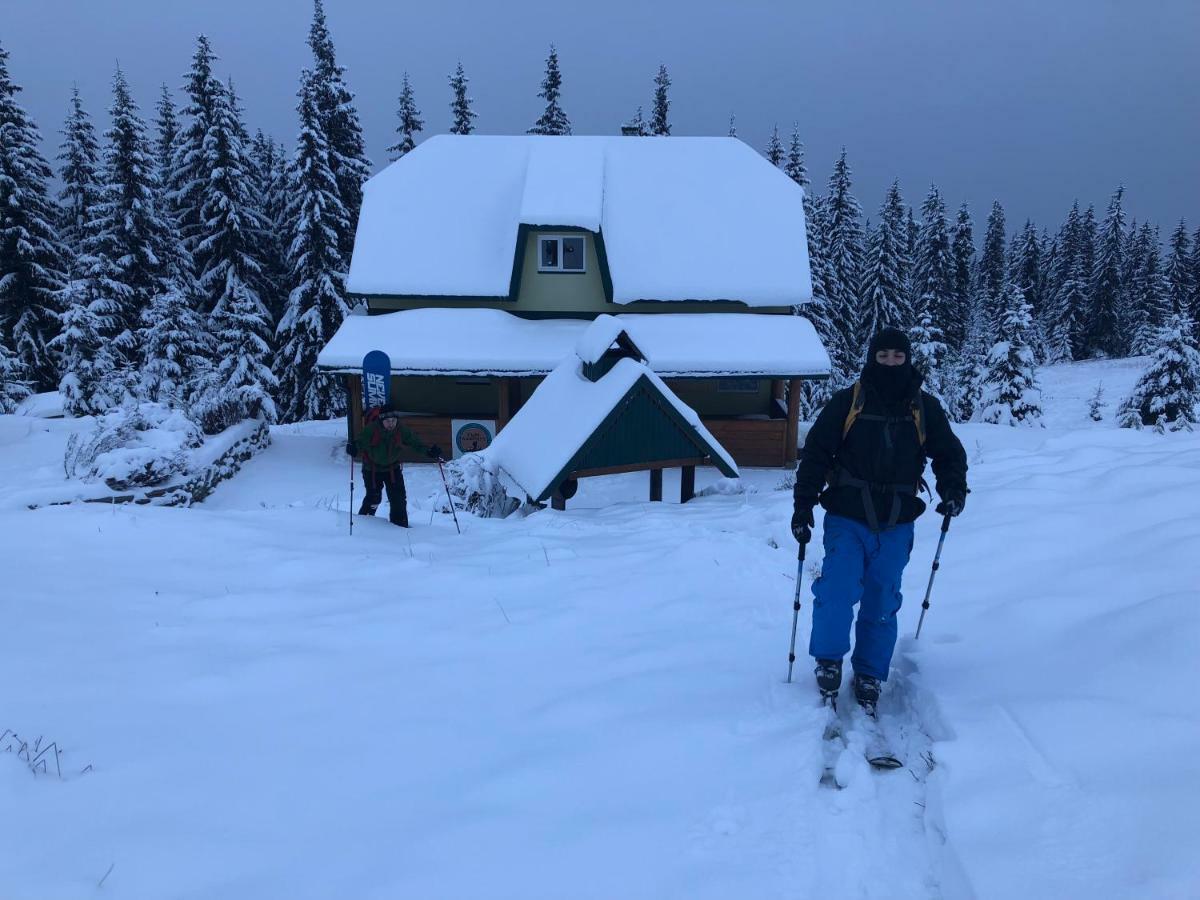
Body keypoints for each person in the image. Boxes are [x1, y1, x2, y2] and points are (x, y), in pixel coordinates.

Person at [791, 328, 968, 713]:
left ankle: (870, 671)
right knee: (837, 590)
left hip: (897, 518)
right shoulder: (847, 402)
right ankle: (829, 659)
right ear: (873, 358)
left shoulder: (924, 407)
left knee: (883, 597)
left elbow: (948, 452)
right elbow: (818, 453)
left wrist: (954, 489)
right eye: (883, 355)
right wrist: (803, 505)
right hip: (847, 515)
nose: (890, 362)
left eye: (898, 356)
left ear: (907, 359)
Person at [355, 404, 441, 527]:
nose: (391, 424)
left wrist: (429, 451)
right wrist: (353, 447)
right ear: (381, 420)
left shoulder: (401, 429)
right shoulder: (372, 429)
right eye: (388, 421)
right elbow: (360, 442)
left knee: (398, 499)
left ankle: (399, 528)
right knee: (374, 498)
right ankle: (363, 524)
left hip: (392, 469)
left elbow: (415, 442)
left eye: (393, 420)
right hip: (372, 469)